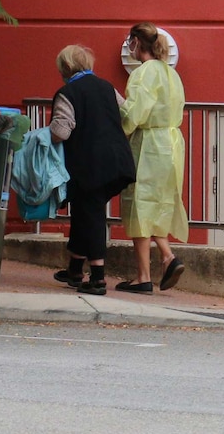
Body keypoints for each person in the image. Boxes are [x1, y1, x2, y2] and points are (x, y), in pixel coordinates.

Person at [49, 44, 136, 295]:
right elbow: (124, 112)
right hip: (118, 161)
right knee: (84, 210)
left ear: (65, 67)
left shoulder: (68, 92)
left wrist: (42, 136)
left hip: (90, 164)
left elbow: (61, 131)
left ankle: (97, 277)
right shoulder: (107, 87)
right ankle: (75, 269)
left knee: (93, 213)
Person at [117, 22, 189, 294]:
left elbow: (135, 113)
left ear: (137, 42)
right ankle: (167, 257)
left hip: (148, 144)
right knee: (160, 202)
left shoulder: (143, 73)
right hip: (171, 143)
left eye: (130, 41)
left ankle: (143, 275)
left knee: (140, 203)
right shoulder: (171, 74)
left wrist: (119, 131)